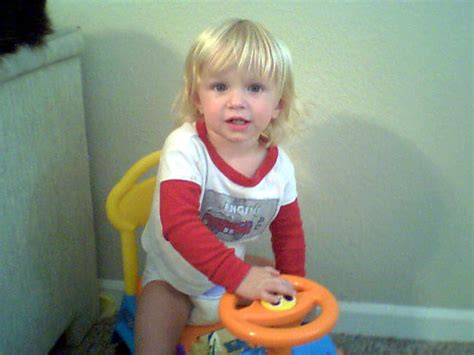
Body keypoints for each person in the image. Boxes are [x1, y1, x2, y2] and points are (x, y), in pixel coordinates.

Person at [135, 18, 306, 354]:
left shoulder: (280, 168)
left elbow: (289, 236)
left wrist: (293, 291)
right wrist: (241, 276)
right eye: (220, 87)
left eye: (254, 88)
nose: (236, 101)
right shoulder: (186, 147)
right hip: (173, 278)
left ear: (278, 105)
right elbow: (178, 224)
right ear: (196, 98)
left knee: (278, 303)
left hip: (230, 274)